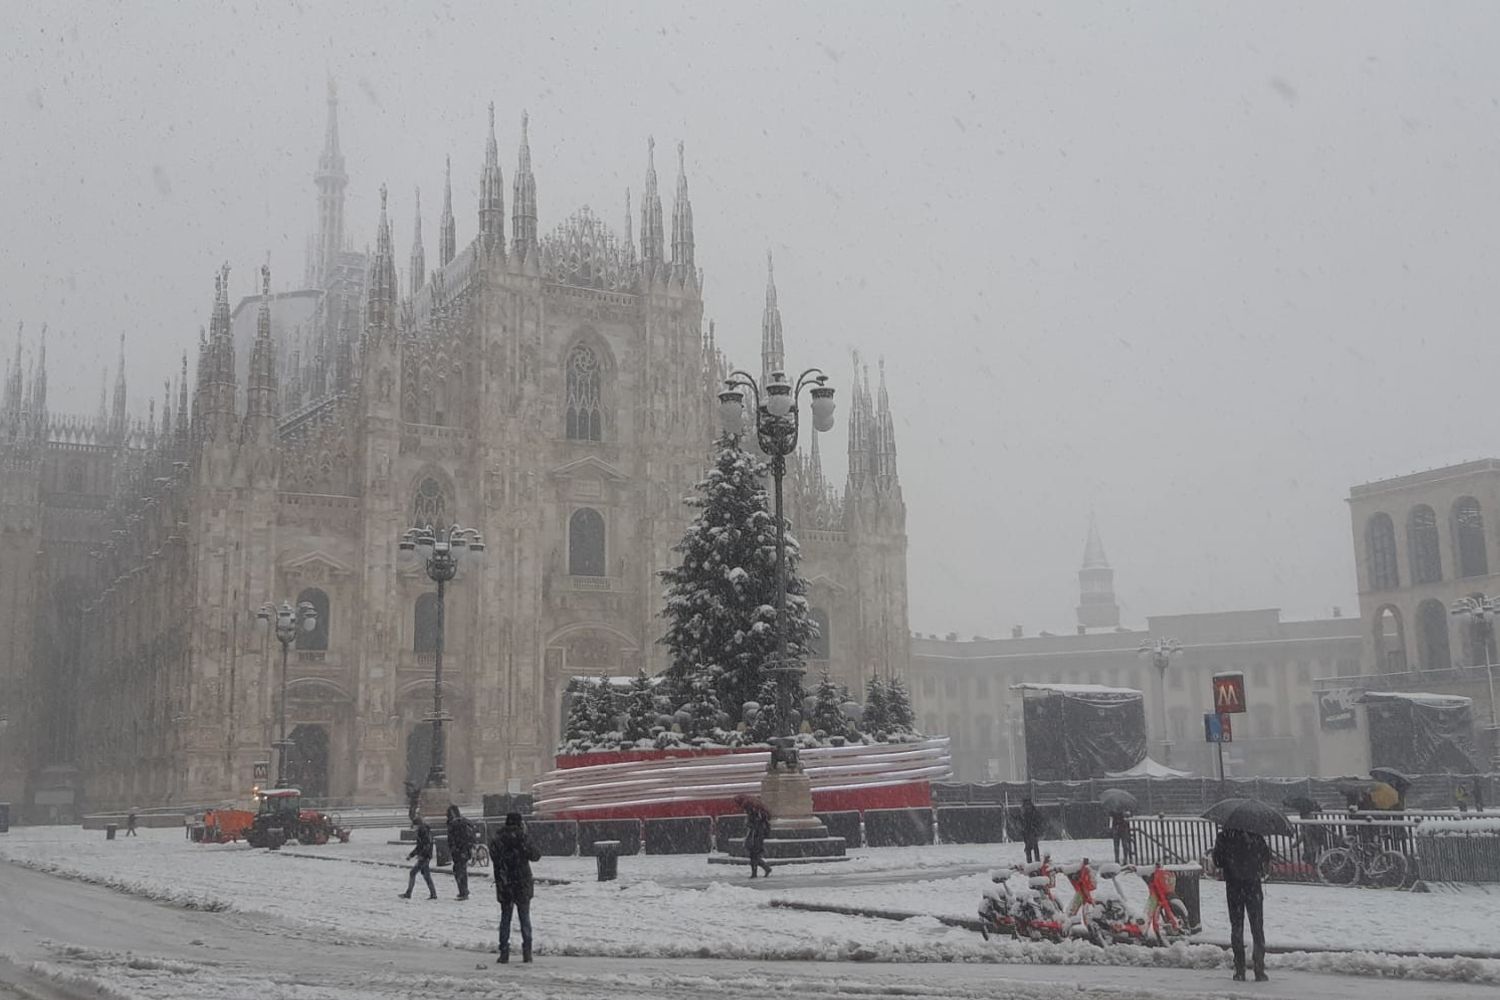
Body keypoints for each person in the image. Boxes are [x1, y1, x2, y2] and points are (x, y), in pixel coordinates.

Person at [1211, 825, 1272, 983]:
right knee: (1257, 927)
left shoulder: (1224, 836)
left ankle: (1239, 969)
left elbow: (1218, 861)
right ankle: (1259, 969)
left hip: (1234, 887)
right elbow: (1266, 857)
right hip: (1253, 886)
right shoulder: (1256, 836)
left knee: (1236, 927)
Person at [489, 812, 542, 964]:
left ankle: (504, 952)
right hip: (522, 882)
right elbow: (536, 855)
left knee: (505, 918)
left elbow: (495, 859)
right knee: (524, 918)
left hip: (506, 883)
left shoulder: (498, 839)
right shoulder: (522, 838)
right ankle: (527, 952)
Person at [400, 816, 437, 900]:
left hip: (424, 856)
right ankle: (433, 894)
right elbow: (420, 846)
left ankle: (408, 893)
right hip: (426, 856)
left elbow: (424, 845)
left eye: (414, 825)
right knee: (426, 875)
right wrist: (411, 855)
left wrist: (422, 855)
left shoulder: (423, 831)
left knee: (413, 873)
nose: (414, 828)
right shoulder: (423, 831)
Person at [737, 795, 773, 878]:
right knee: (754, 854)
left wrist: (749, 824)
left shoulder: (755, 814)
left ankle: (758, 871)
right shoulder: (757, 812)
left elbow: (754, 825)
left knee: (754, 854)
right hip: (756, 835)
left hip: (756, 835)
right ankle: (762, 869)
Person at [446, 804, 474, 901]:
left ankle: (463, 892)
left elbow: (453, 839)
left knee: (459, 871)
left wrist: (455, 848)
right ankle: (464, 890)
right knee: (462, 870)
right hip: (464, 851)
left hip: (459, 851)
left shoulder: (455, 824)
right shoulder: (464, 821)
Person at [1019, 798, 1043, 864]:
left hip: (1032, 831)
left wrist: (1035, 827)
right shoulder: (1024, 812)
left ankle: (1036, 862)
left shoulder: (1033, 812)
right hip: (1027, 831)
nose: (1027, 806)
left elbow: (1039, 820)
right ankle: (1031, 862)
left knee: (1033, 846)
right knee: (1029, 847)